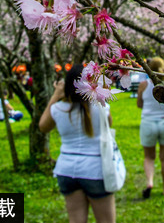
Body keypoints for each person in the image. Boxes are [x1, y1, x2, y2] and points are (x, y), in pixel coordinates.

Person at [39, 65, 116, 223]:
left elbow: (43, 126)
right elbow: (109, 124)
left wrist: (57, 94)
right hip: (95, 170)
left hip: (67, 170)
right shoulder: (101, 108)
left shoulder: (58, 109)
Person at [137, 57, 164, 198]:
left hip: (148, 123)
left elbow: (139, 104)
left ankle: (150, 182)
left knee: (149, 157)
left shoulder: (143, 85)